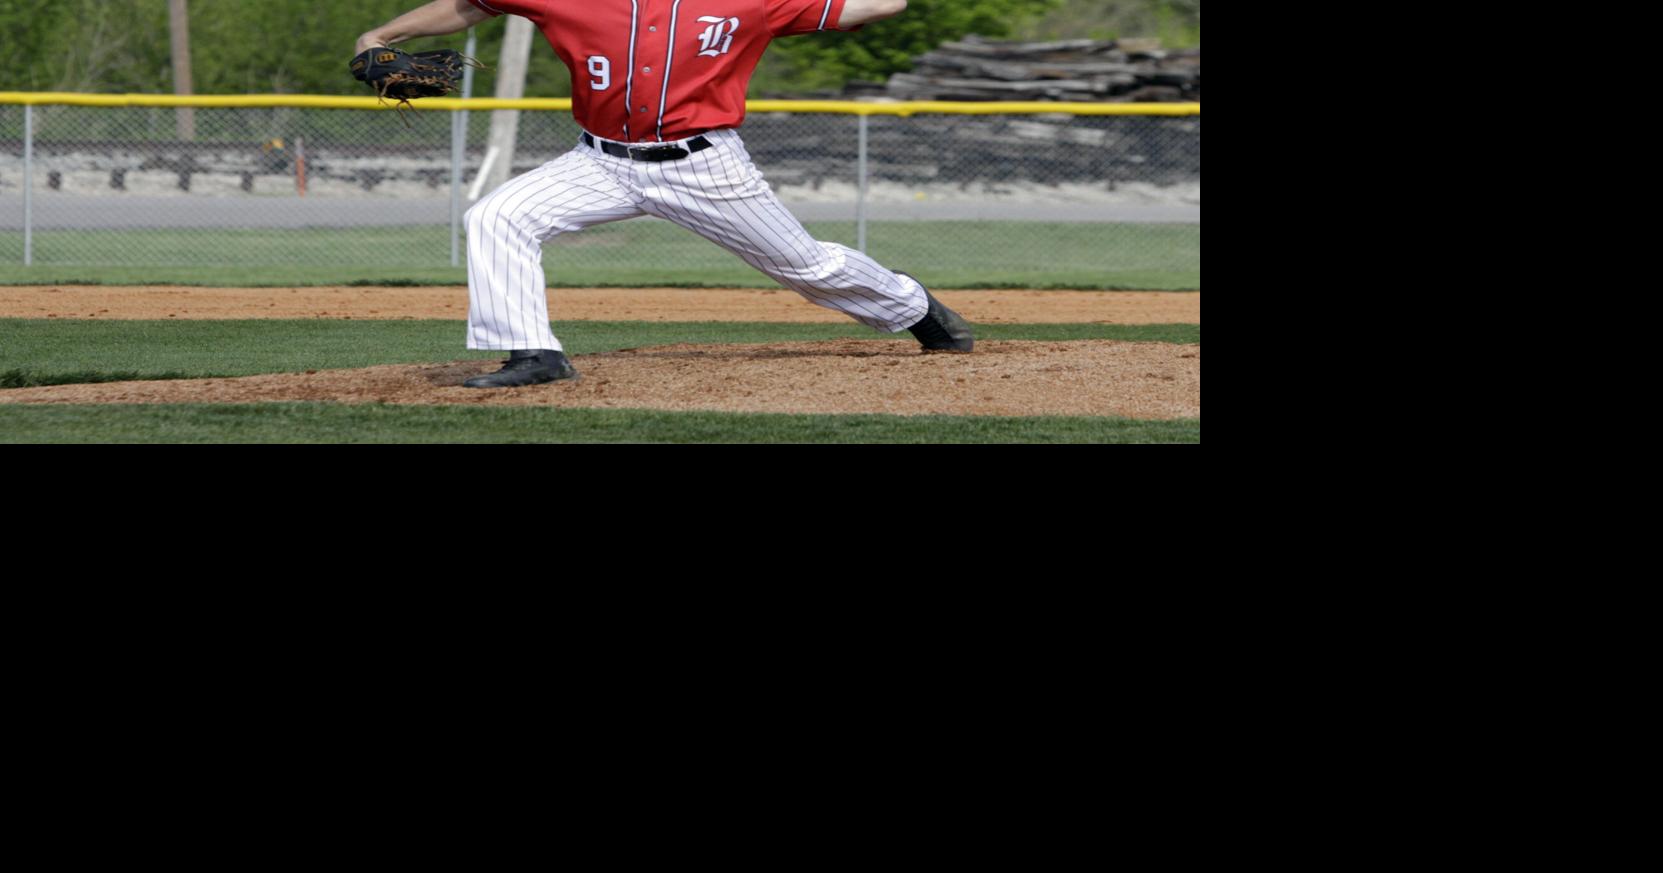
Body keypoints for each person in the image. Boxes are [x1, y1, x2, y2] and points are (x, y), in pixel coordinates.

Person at [356, 0, 974, 388]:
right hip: (597, 160)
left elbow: (879, 6)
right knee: (498, 215)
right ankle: (534, 356)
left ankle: (912, 307)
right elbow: (474, 4)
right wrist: (381, 33)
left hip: (704, 165)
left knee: (806, 266)